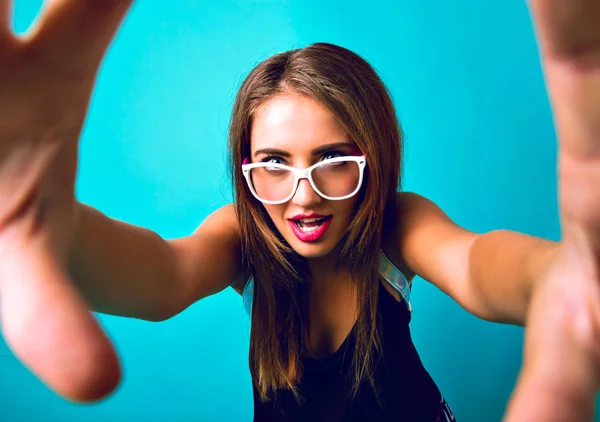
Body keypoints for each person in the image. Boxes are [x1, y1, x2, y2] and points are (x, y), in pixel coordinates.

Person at [0, 0, 598, 420]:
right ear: (248, 167)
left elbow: (475, 263)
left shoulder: (396, 225)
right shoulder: (244, 237)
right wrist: (49, 228)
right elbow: (161, 274)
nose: (303, 195)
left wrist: (558, 274)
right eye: (275, 162)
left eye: (334, 157)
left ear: (374, 155)